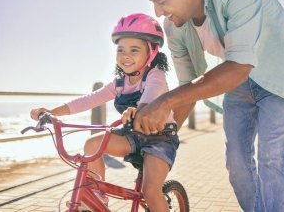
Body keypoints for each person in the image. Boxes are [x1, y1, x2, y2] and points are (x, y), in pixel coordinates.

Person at [135, 0, 284, 212]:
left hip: (281, 76)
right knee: (236, 164)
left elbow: (239, 66)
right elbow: (185, 91)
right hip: (239, 84)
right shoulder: (174, 26)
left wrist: (164, 102)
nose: (157, 12)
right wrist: (161, 142)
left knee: (271, 156)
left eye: (161, 1)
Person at [30, 13, 179, 212]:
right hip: (133, 136)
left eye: (134, 50)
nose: (126, 55)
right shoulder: (119, 84)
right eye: (121, 50)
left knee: (150, 191)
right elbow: (89, 100)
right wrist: (51, 113)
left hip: (160, 139)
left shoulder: (155, 76)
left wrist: (139, 110)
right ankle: (97, 196)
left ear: (151, 52)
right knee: (92, 144)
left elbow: (151, 94)